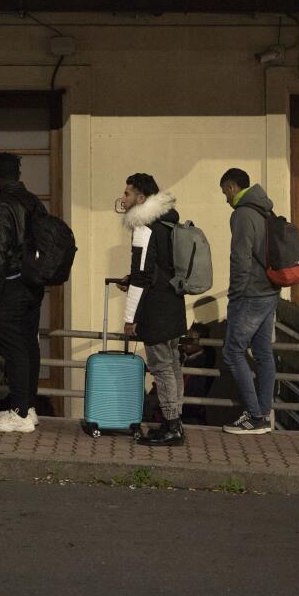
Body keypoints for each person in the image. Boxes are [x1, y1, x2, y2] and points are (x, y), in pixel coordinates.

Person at [117, 173, 187, 446]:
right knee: (173, 365)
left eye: (127, 194)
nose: (124, 199)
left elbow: (143, 276)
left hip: (155, 308)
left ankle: (171, 425)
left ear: (141, 198)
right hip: (174, 302)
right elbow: (159, 267)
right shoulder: (168, 222)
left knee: (161, 368)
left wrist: (129, 318)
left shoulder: (143, 227)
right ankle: (177, 420)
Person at [0, 152, 45, 434]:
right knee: (29, 344)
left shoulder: (1, 204)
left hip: (10, 284)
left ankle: (18, 412)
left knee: (14, 348)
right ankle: (29, 407)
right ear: (18, 174)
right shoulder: (34, 202)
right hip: (34, 283)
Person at [218, 167, 279, 435]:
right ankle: (263, 414)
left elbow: (240, 258)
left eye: (224, 193)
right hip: (270, 291)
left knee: (232, 352)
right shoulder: (265, 210)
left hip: (251, 293)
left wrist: (235, 292)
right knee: (264, 352)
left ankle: (254, 416)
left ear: (232, 188)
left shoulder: (242, 214)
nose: (225, 199)